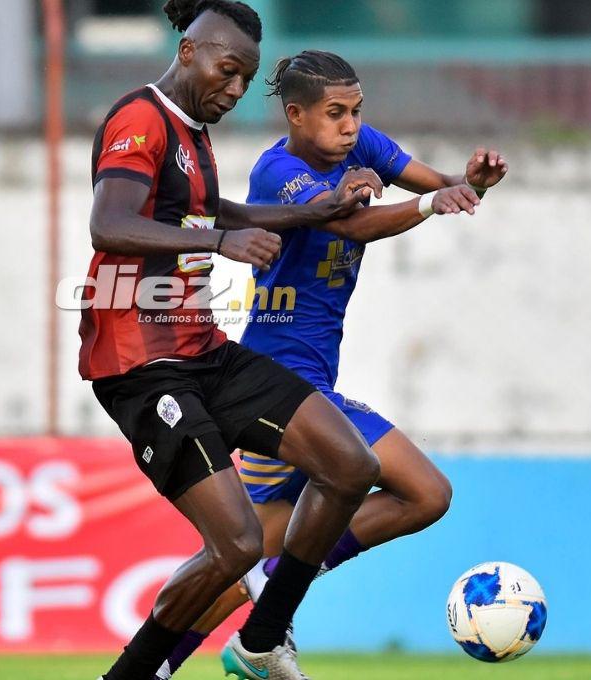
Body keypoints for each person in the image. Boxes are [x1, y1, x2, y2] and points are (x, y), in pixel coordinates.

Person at [152, 50, 509, 679]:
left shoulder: (360, 147)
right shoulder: (278, 173)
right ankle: (278, 592)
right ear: (295, 115)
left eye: (357, 111)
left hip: (313, 384)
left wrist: (468, 184)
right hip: (277, 384)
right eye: (335, 113)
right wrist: (431, 204)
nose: (350, 126)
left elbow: (431, 182)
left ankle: (161, 664)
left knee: (241, 563)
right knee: (425, 492)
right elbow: (356, 227)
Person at [84, 4, 395, 678]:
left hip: (204, 351)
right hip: (142, 366)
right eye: (228, 72)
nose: (233, 89)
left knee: (350, 465)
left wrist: (315, 211)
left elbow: (219, 209)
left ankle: (261, 641)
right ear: (191, 50)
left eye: (244, 80)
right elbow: (109, 223)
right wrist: (219, 243)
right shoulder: (142, 118)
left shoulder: (191, 134)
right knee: (236, 544)